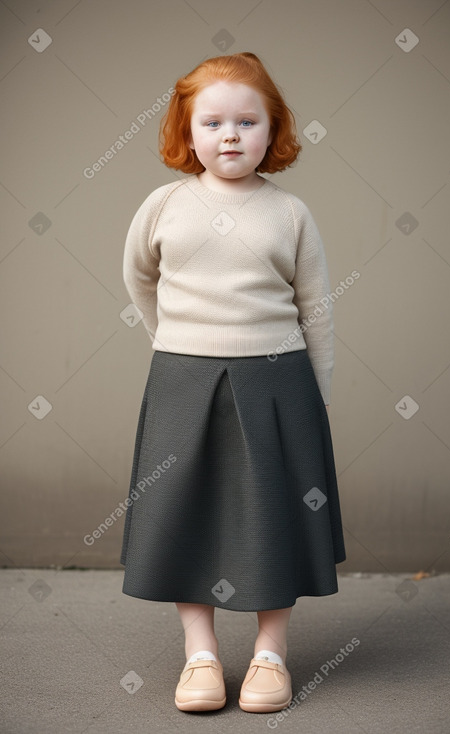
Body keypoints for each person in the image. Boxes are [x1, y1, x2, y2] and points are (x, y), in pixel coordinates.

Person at [120, 51, 346, 714]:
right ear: (185, 131)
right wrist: (178, 345)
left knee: (272, 519)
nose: (228, 135)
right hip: (181, 379)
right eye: (212, 121)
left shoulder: (289, 214)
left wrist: (316, 394)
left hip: (280, 385)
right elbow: (140, 280)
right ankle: (201, 656)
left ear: (271, 131)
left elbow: (317, 306)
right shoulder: (163, 206)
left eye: (247, 121)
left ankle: (269, 655)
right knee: (188, 514)